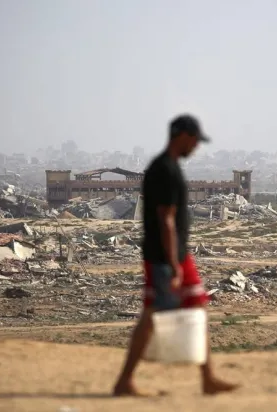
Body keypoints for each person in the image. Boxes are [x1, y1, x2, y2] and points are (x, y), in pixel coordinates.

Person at [113, 114, 239, 396]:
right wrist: (173, 264)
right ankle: (125, 381)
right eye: (194, 140)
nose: (195, 147)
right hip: (165, 258)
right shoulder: (165, 170)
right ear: (182, 136)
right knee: (152, 315)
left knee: (195, 306)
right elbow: (166, 219)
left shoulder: (166, 167)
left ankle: (207, 378)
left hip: (172, 255)